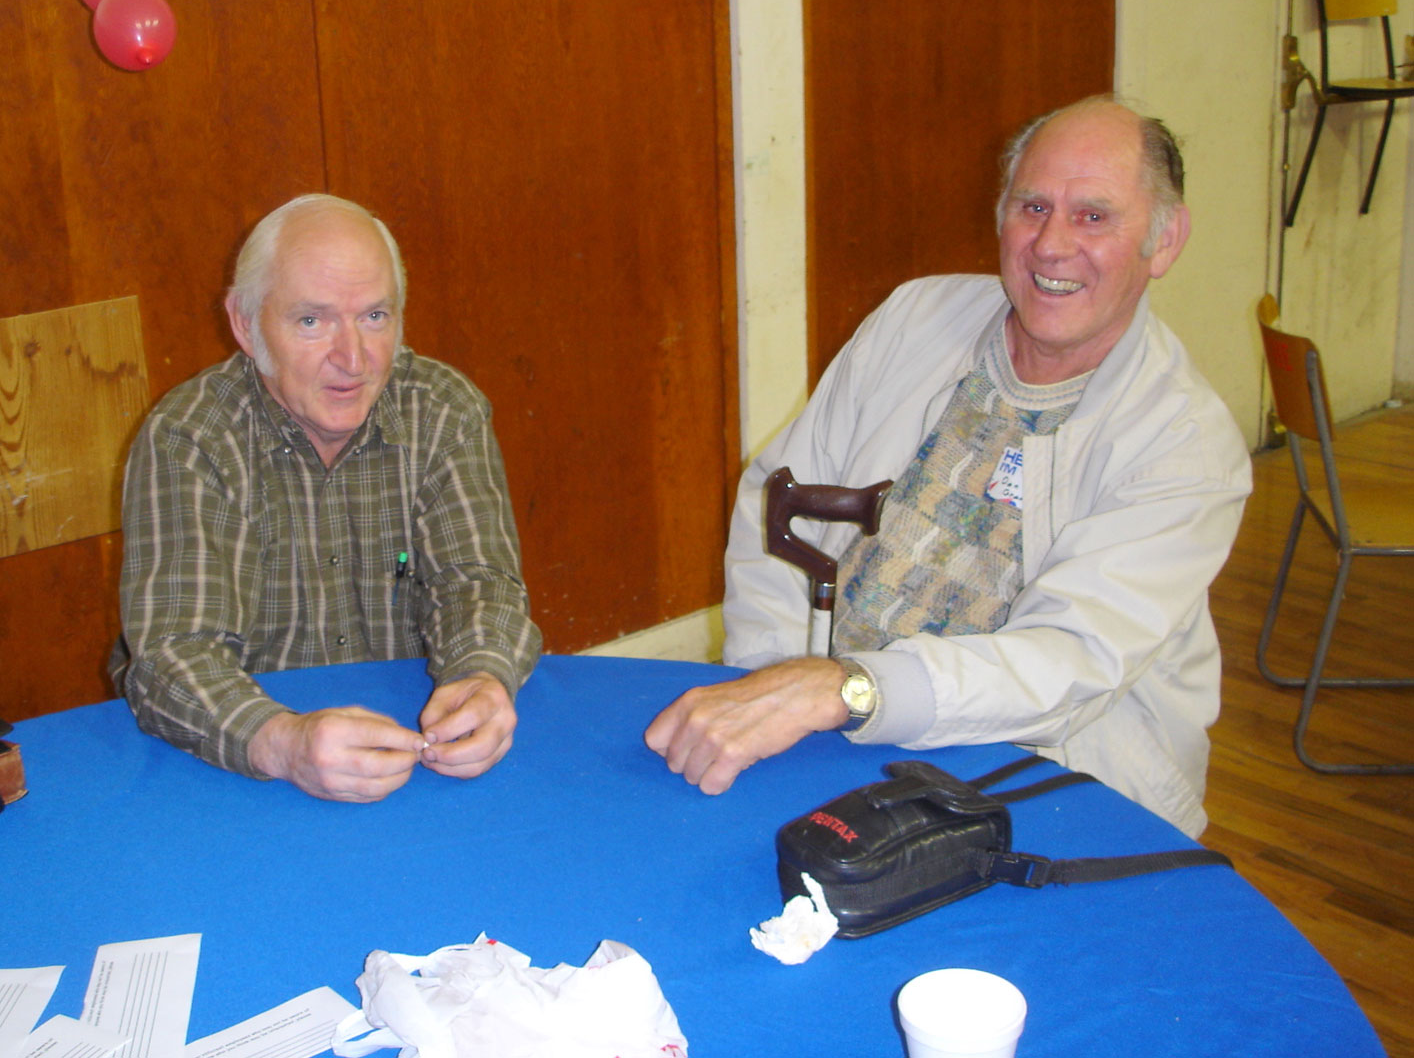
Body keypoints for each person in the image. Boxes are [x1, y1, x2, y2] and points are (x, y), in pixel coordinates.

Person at [645, 96, 1250, 837]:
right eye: (1032, 206)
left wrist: (847, 689)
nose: (1052, 244)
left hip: (1056, 778)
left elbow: (1067, 662)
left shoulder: (1184, 440)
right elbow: (779, 503)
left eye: (1094, 216)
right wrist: (772, 680)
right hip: (840, 739)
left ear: (1164, 241)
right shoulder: (913, 319)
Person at [111, 193, 542, 803]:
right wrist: (284, 743)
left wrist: (481, 674)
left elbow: (480, 584)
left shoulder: (444, 411)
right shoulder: (191, 438)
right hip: (238, 763)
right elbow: (173, 657)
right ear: (246, 323)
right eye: (312, 321)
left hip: (408, 747)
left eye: (374, 317)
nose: (353, 359)